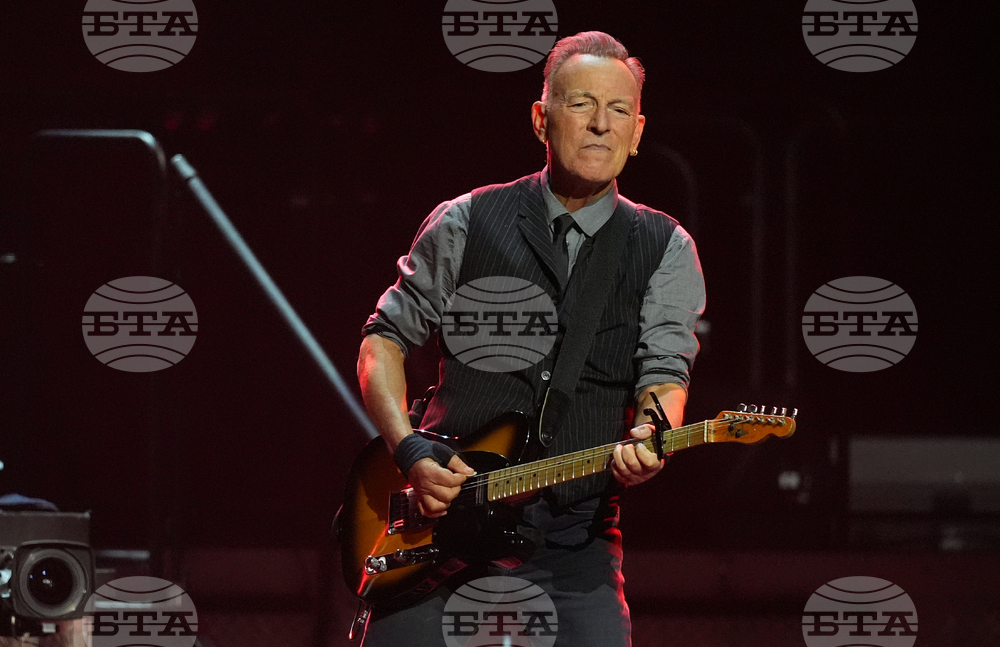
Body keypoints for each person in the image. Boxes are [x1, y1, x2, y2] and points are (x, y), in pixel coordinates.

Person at [357, 31, 705, 646]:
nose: (601, 124)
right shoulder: (466, 219)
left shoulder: (665, 248)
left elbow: (665, 373)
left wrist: (654, 435)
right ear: (541, 121)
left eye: (619, 110)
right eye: (581, 105)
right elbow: (381, 341)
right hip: (438, 533)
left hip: (575, 543)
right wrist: (408, 450)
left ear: (638, 131)